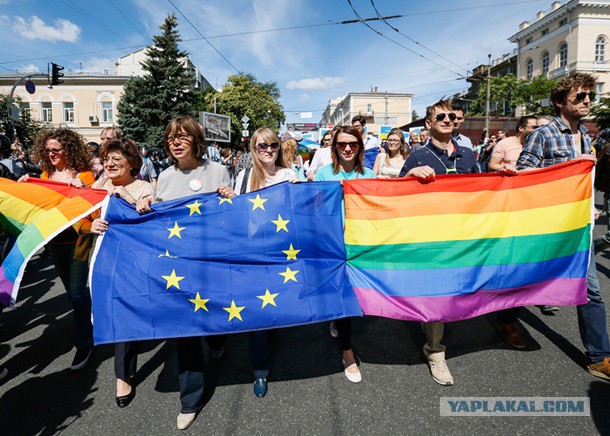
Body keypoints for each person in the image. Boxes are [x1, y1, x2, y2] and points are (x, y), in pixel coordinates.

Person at [136, 116, 231, 430]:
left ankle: (216, 341)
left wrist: (230, 199)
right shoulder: (163, 177)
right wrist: (148, 202)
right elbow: (159, 219)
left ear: (195, 140)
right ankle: (190, 400)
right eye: (171, 138)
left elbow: (232, 216)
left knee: (213, 318)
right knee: (185, 331)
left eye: (182, 137)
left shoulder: (217, 171)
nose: (175, 143)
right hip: (178, 266)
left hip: (210, 262)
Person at [517, 72, 610, 382]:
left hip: (579, 226)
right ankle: (503, 318)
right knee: (521, 278)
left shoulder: (587, 135)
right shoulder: (543, 135)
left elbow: (587, 182)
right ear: (559, 102)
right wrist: (567, 171)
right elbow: (524, 176)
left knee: (592, 290)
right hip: (549, 227)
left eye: (590, 97)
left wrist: (592, 205)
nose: (586, 102)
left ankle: (599, 356)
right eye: (579, 97)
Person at [399, 99, 479, 386]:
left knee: (458, 289)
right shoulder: (417, 157)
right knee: (438, 294)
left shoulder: (469, 155)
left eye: (452, 116)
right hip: (431, 237)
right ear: (428, 124)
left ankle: (435, 323)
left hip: (463, 235)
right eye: (440, 116)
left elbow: (482, 192)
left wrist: (503, 179)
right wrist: (409, 176)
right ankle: (435, 351)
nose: (448, 119)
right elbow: (397, 197)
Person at [218, 128, 297, 398]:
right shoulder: (243, 177)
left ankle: (274, 333)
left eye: (273, 145)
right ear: (254, 148)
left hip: (281, 251)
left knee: (277, 302)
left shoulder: (289, 175)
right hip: (251, 251)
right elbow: (235, 214)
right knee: (257, 310)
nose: (268, 150)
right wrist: (230, 199)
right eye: (262, 145)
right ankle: (260, 369)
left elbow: (298, 211)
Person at [21, 128, 96, 370]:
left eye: (56, 150)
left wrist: (82, 187)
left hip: (79, 242)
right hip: (55, 243)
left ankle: (85, 343)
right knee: (73, 294)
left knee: (76, 294)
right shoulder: (44, 175)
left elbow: (94, 208)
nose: (51, 154)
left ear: (68, 150)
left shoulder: (85, 175)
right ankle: (89, 314)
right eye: (48, 150)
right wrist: (25, 186)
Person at [88, 138, 155, 408]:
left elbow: (150, 222)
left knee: (124, 313)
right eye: (107, 159)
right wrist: (89, 225)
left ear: (131, 162)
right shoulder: (97, 187)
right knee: (114, 311)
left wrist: (126, 198)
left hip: (133, 262)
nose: (110, 164)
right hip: (104, 260)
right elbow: (80, 216)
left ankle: (122, 377)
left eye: (117, 159)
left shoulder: (145, 187)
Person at [315, 125, 375, 383]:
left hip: (360, 244)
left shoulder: (370, 174)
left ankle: (338, 322)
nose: (348, 148)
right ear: (334, 148)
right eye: (342, 144)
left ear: (360, 147)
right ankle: (348, 353)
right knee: (344, 298)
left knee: (356, 297)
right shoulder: (322, 174)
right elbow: (315, 211)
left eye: (353, 144)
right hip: (334, 247)